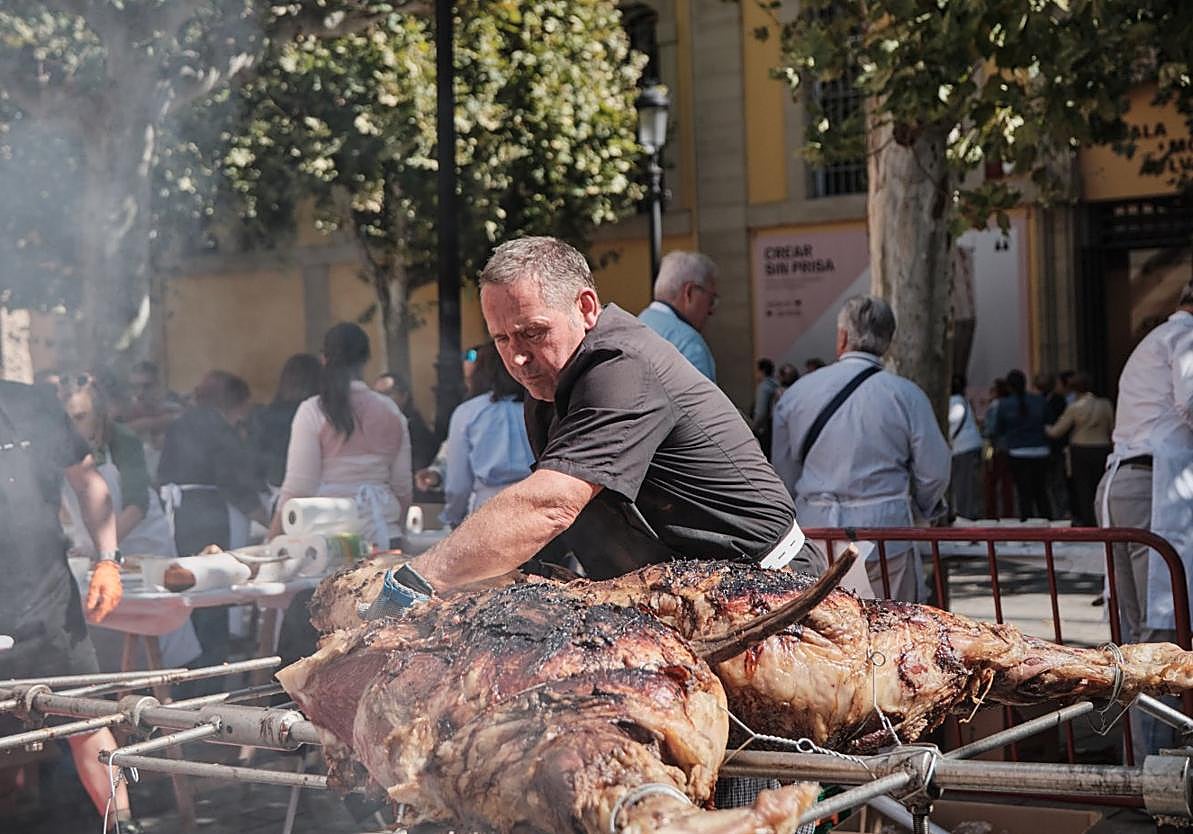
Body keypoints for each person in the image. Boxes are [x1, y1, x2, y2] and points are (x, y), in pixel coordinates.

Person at [370, 235, 818, 598]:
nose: (517, 358)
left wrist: (420, 579)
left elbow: (551, 504)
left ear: (585, 308)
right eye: (502, 339)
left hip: (770, 589)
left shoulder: (622, 366)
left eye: (533, 332)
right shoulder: (549, 382)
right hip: (677, 594)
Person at [0, 381, 133, 830]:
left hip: (47, 599)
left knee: (86, 719)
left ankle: (122, 826)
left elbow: (88, 482)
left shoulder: (32, 403)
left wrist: (108, 560)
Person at [772, 295, 950, 602]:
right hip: (886, 534)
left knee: (822, 623)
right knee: (895, 624)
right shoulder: (907, 395)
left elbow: (783, 472)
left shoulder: (796, 395)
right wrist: (921, 510)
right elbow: (934, 472)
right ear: (888, 341)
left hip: (816, 536)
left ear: (842, 337)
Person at [1095, 280, 1193, 760]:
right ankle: (1154, 767)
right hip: (1151, 490)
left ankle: (1140, 763)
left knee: (1136, 639)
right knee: (1158, 636)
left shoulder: (1155, 339)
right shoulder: (1186, 338)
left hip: (1125, 486)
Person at [58, 375, 201, 670]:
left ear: (98, 414)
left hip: (145, 543)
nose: (74, 426)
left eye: (81, 417)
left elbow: (137, 505)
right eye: (68, 418)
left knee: (159, 625)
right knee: (105, 623)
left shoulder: (123, 439)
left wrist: (103, 550)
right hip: (99, 551)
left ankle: (171, 683)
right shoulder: (59, 447)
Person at [158, 370, 266, 675]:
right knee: (211, 592)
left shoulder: (181, 422)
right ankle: (211, 674)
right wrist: (268, 519)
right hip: (207, 516)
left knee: (185, 589)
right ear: (235, 403)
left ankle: (186, 673)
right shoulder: (219, 428)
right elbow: (234, 483)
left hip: (179, 514)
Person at [270, 322, 413, 551]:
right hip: (384, 537)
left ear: (324, 359)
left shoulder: (313, 410)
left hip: (330, 544)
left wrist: (272, 540)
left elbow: (299, 486)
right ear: (366, 359)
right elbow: (402, 487)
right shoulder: (391, 411)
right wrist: (399, 532)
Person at [439, 343, 535, 528]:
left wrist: (453, 517)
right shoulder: (538, 406)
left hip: (488, 511)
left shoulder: (468, 412)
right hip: (536, 506)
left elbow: (458, 484)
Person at [250, 353, 322, 509]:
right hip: (317, 493)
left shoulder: (264, 416)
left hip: (277, 491)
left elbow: (255, 461)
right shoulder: (320, 415)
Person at [638, 250, 718, 381]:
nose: (711, 311)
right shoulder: (689, 343)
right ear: (689, 292)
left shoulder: (635, 326)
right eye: (711, 300)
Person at [1046, 372, 1112, 527]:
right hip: (1102, 447)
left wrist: (1044, 427)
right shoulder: (1105, 404)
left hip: (1080, 449)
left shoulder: (1075, 407)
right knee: (1101, 486)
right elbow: (1112, 427)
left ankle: (1088, 522)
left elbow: (1057, 431)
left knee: (1083, 489)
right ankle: (1103, 519)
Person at [988, 369, 1052, 520]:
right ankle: (1047, 519)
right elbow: (1049, 421)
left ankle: (1027, 522)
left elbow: (998, 429)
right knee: (1041, 490)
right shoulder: (1040, 401)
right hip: (1041, 450)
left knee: (1023, 492)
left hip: (1017, 451)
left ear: (1009, 387)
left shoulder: (1004, 405)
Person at [118, 360, 183, 480]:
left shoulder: (175, 411)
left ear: (158, 385)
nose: (140, 393)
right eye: (134, 387)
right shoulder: (123, 414)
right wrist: (155, 423)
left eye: (146, 386)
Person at [373, 371, 438, 471]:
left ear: (404, 396)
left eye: (387, 394)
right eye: (376, 395)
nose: (380, 400)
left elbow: (417, 471)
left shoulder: (416, 432)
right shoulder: (371, 428)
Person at [948, 374, 984, 520]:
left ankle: (966, 517)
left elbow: (952, 422)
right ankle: (967, 515)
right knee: (967, 485)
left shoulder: (955, 402)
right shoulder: (963, 401)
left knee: (964, 486)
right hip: (969, 446)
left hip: (963, 448)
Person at [750, 358, 779, 458]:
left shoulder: (763, 388)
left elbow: (760, 413)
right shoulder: (775, 385)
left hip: (764, 430)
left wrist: (753, 428)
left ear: (761, 371)